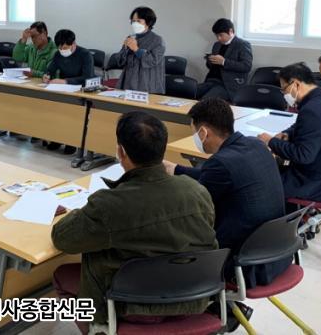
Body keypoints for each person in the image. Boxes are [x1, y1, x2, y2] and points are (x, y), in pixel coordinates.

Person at [51, 111, 217, 330]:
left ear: (121, 152)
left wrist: (79, 212)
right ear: (162, 149)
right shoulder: (197, 191)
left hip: (132, 306)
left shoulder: (109, 204)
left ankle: (98, 330)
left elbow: (62, 238)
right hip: (193, 298)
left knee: (62, 275)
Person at [164, 98, 290, 289]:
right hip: (273, 251)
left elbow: (195, 209)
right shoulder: (255, 145)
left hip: (240, 262)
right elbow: (217, 176)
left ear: (204, 132)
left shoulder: (220, 163)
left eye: (194, 133)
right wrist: (176, 169)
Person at [258, 63, 321, 204]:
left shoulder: (312, 110)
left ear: (296, 84)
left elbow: (303, 156)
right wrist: (287, 133)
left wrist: (270, 141)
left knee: (260, 184)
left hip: (320, 182)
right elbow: (306, 126)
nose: (284, 94)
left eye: (284, 89)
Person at [110, 7, 165, 93]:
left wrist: (136, 49)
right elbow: (120, 61)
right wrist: (125, 49)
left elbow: (152, 61)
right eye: (133, 21)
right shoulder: (131, 37)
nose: (135, 24)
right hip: (128, 82)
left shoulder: (157, 40)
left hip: (147, 84)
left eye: (138, 21)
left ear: (148, 22)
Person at [197, 19, 253, 101]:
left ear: (230, 31)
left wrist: (224, 62)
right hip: (211, 81)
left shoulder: (242, 44)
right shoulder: (217, 45)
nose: (218, 38)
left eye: (221, 35)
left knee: (206, 101)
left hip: (228, 85)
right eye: (216, 36)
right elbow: (211, 67)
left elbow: (246, 66)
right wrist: (210, 61)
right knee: (189, 92)